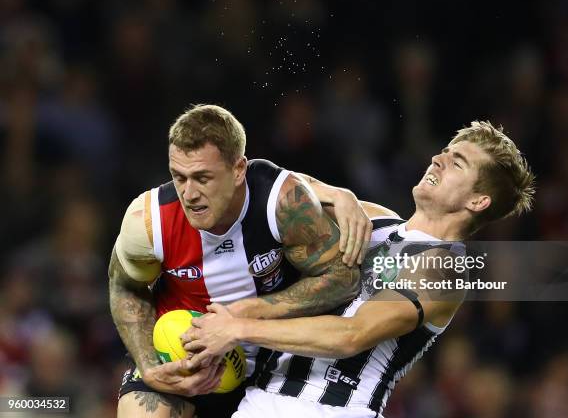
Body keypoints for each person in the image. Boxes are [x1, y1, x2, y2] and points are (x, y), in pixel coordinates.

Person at [181, 121, 536, 417]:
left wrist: (238, 327)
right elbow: (270, 188)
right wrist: (337, 194)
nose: (438, 159)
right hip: (260, 401)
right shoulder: (376, 220)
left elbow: (350, 335)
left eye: (457, 163)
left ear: (478, 201)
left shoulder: (446, 269)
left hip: (335, 410)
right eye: (444, 152)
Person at [109, 104, 377, 418]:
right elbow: (124, 287)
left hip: (273, 366)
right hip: (179, 357)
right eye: (178, 177)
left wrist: (244, 317)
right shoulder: (147, 221)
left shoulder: (282, 204)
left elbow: (343, 278)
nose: (189, 193)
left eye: (202, 178)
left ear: (238, 170)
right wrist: (148, 365)